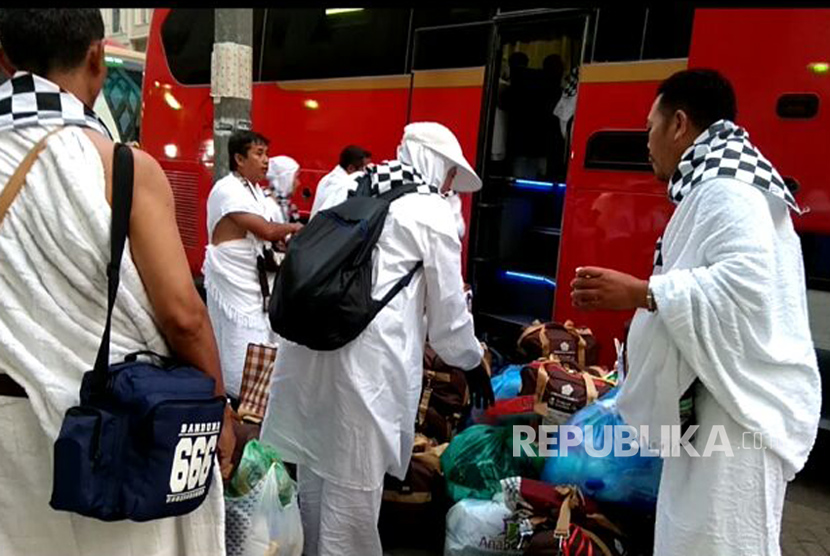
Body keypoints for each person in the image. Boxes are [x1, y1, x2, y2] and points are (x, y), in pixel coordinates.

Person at [0, 9, 231, 556]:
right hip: (116, 437)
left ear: (5, 62)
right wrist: (218, 407)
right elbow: (182, 315)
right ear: (97, 58)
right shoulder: (124, 167)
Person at [570, 69, 821, 556]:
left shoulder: (728, 190)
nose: (647, 143)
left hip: (734, 416)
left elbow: (744, 287)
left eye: (649, 128)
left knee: (716, 542)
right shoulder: (720, 185)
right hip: (716, 410)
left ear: (679, 124)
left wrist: (644, 293)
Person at [261, 122, 494, 556]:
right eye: (448, 175)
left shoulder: (348, 187)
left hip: (311, 354)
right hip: (368, 369)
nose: (449, 187)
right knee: (352, 496)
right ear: (433, 162)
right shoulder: (431, 213)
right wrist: (471, 358)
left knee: (312, 478)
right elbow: (447, 319)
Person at [203, 131, 301, 401]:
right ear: (238, 158)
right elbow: (267, 231)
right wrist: (295, 227)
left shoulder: (257, 192)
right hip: (235, 281)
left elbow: (270, 238)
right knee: (240, 339)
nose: (266, 161)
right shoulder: (227, 189)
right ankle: (235, 398)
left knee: (263, 338)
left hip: (257, 280)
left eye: (266, 154)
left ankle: (255, 399)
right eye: (259, 154)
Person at [309, 144, 371, 218]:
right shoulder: (346, 186)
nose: (364, 171)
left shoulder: (326, 179)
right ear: (350, 168)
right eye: (362, 168)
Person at [265, 154, 301, 224]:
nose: (298, 183)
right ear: (286, 180)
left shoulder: (284, 204)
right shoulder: (269, 207)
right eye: (296, 177)